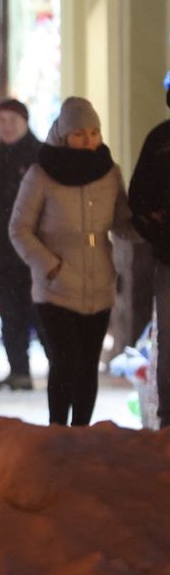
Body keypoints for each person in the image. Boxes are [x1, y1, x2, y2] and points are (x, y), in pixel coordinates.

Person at [9, 97, 135, 427]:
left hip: (98, 283)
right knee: (66, 360)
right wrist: (48, 265)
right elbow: (19, 229)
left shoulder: (109, 172)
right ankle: (57, 430)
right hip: (56, 286)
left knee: (87, 364)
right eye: (80, 133)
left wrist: (147, 225)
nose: (88, 140)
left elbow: (122, 220)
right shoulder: (41, 174)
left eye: (94, 132)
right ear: (64, 134)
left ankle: (80, 433)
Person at [0, 98, 46, 391]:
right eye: (1, 121)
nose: (6, 127)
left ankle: (60, 367)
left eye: (12, 121)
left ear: (25, 122)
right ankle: (19, 369)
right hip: (3, 253)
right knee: (10, 313)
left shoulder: (42, 157)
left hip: (37, 253)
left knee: (42, 314)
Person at [129, 72, 170, 429]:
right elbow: (138, 198)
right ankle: (168, 420)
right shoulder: (160, 140)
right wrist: (156, 230)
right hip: (168, 257)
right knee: (168, 345)